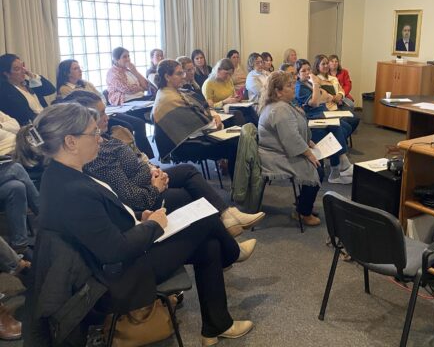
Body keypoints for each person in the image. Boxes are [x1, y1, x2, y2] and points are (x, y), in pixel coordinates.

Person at [16, 103, 255, 345]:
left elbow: (100, 223)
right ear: (71, 142)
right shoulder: (72, 189)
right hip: (112, 281)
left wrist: (141, 217)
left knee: (209, 244)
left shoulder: (63, 175)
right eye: (93, 133)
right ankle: (232, 255)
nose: (100, 138)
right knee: (205, 220)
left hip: (111, 263)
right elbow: (114, 251)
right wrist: (154, 226)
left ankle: (217, 326)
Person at [64, 90, 265, 237]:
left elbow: (136, 161)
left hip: (146, 178)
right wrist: (156, 186)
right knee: (190, 195)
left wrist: (153, 169)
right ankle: (227, 238)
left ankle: (228, 218)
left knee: (188, 172)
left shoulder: (105, 138)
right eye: (100, 114)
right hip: (145, 194)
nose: (106, 117)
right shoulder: (97, 153)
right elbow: (128, 195)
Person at [152, 60, 239, 178]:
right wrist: (217, 123)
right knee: (234, 145)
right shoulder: (169, 98)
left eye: (183, 73)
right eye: (179, 74)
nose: (183, 77)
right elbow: (198, 123)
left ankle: (236, 179)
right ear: (167, 76)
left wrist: (214, 115)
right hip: (183, 145)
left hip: (193, 134)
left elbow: (205, 105)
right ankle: (238, 188)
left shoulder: (176, 91)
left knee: (234, 135)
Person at [258, 71, 323, 226]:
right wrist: (308, 154)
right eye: (289, 85)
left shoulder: (283, 105)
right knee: (317, 169)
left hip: (281, 151)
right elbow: (290, 139)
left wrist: (309, 143)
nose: (294, 87)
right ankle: (303, 212)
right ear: (278, 92)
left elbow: (293, 132)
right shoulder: (279, 109)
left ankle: (302, 205)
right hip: (273, 157)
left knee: (317, 162)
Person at [56, 59, 154, 158]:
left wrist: (100, 105)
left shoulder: (86, 83)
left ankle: (147, 156)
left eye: (79, 68)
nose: (80, 70)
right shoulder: (64, 89)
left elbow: (101, 96)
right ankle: (130, 156)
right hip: (91, 119)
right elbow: (79, 108)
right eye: (75, 68)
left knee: (138, 123)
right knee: (127, 126)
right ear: (67, 73)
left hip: (104, 111)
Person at [295, 59, 353, 184]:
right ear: (297, 74)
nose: (307, 73)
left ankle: (337, 168)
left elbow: (325, 96)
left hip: (322, 113)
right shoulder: (300, 87)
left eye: (308, 69)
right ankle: (341, 166)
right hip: (312, 118)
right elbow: (315, 102)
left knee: (345, 126)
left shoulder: (308, 84)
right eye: (303, 71)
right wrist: (316, 85)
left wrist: (318, 91)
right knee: (336, 128)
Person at [0, 54, 56, 126]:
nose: (23, 71)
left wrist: (32, 75)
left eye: (23, 66)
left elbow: (51, 90)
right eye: (17, 69)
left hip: (47, 119)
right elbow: (24, 116)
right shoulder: (6, 91)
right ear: (6, 73)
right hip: (35, 126)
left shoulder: (28, 83)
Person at [313, 54, 360, 135]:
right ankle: (339, 138)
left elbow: (341, 89)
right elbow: (322, 95)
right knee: (344, 123)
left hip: (338, 103)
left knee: (355, 118)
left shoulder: (333, 78)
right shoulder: (316, 79)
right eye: (323, 64)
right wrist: (334, 97)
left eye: (327, 63)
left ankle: (342, 138)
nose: (326, 66)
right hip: (327, 107)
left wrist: (340, 95)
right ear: (317, 66)